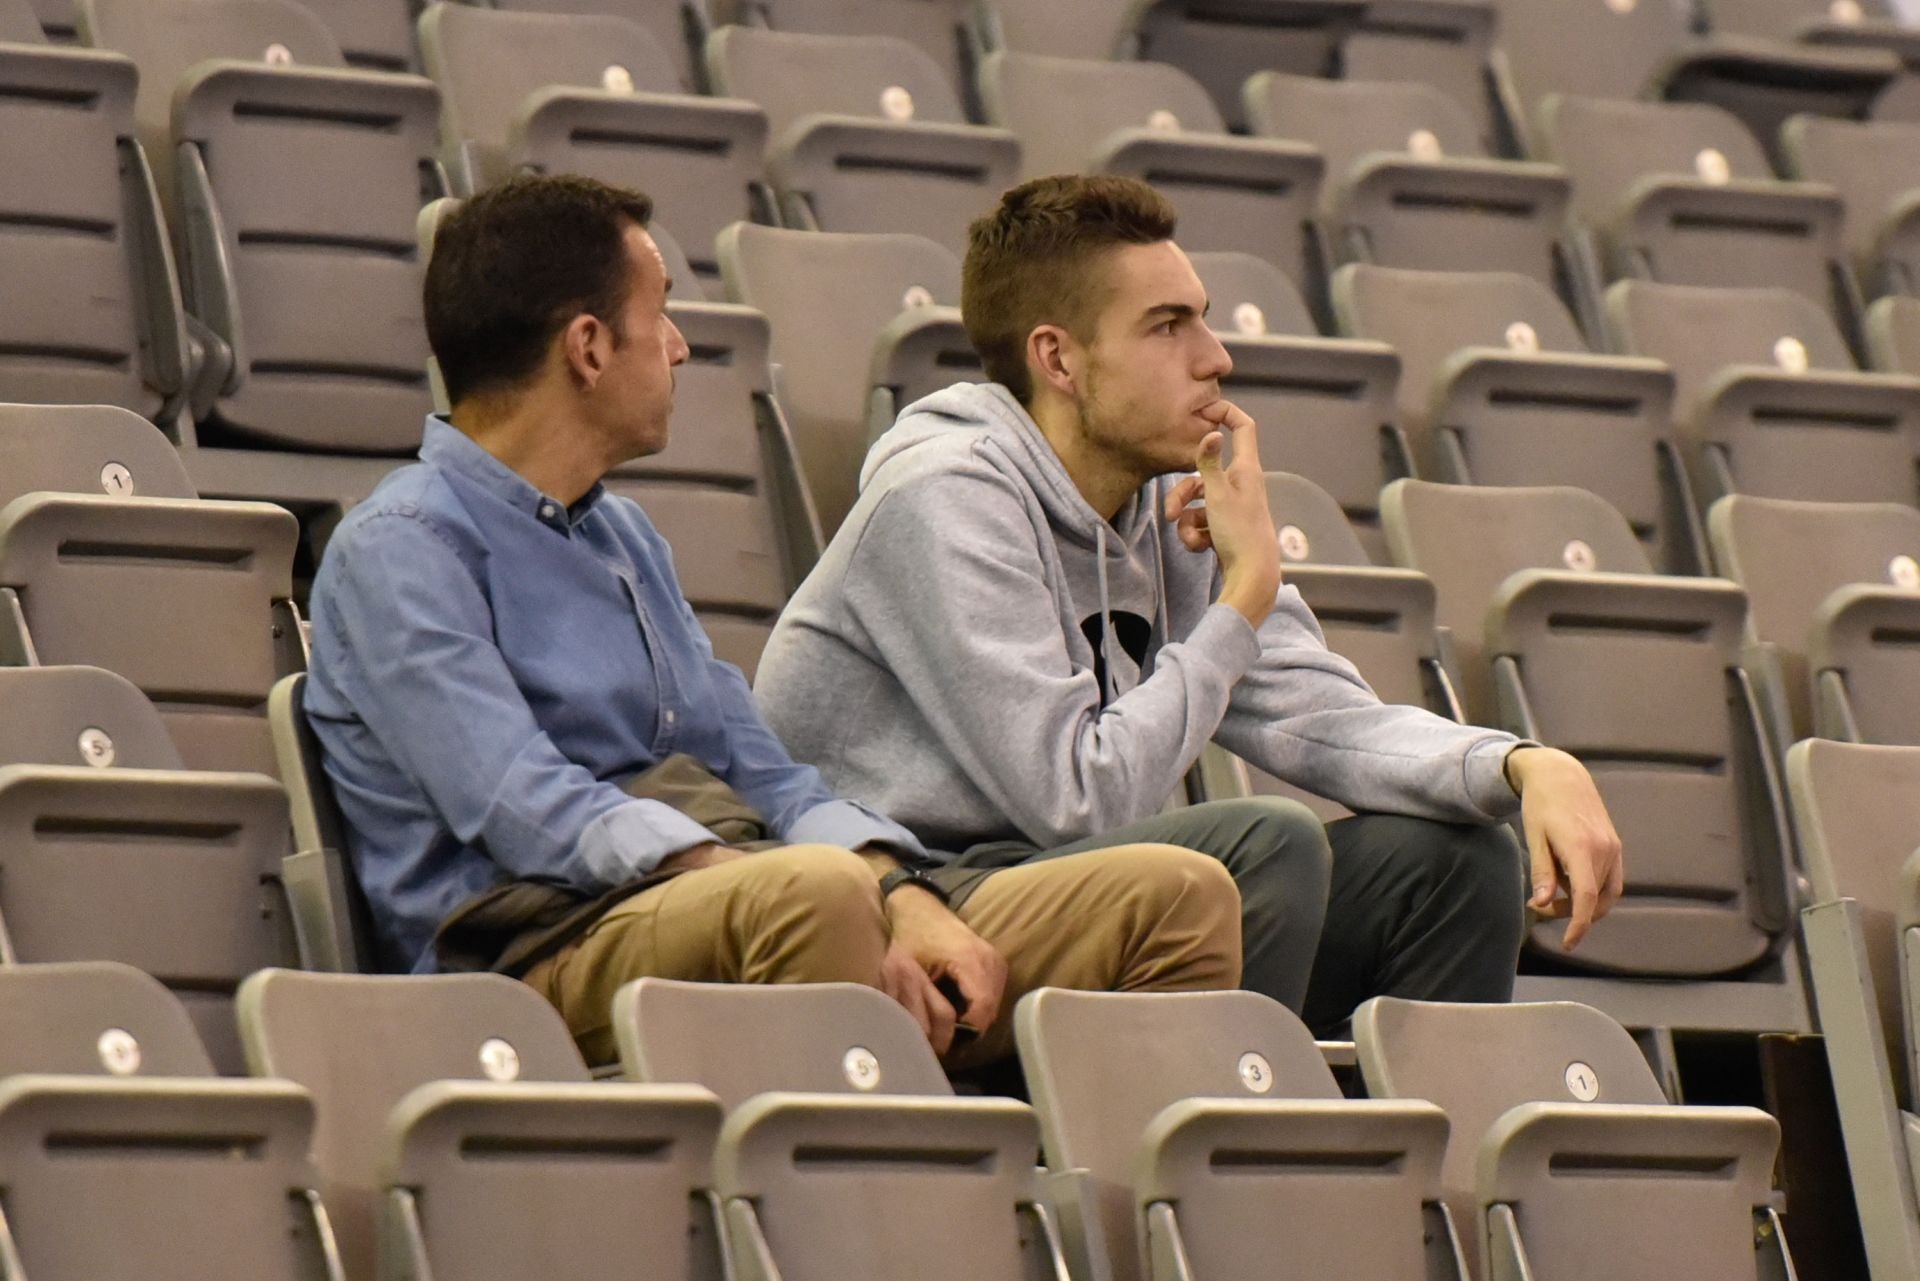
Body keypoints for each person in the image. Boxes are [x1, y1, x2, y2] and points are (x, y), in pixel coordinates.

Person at [301, 175, 1244, 1067]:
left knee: (1175, 895)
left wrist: (896, 887)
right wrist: (751, 871)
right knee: (815, 891)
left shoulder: (622, 533)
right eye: (660, 312)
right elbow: (523, 804)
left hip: (741, 897)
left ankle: (1103, 1215)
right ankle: (860, 1221)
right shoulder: (402, 547)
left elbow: (759, 767)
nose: (677, 345)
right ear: (588, 348)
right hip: (524, 952)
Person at [755, 175, 1626, 1035]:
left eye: (1201, 317)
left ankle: (1411, 1172)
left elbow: (1319, 716)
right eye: (1168, 326)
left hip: (1083, 888)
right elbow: (1078, 801)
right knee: (1265, 847)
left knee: (1455, 859)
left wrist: (1519, 765)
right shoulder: (942, 495)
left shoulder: (1168, 498)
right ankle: (1231, 1151)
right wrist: (1243, 598)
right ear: (1057, 358)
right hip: (914, 897)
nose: (1216, 355)